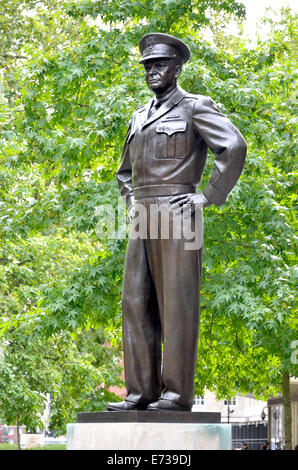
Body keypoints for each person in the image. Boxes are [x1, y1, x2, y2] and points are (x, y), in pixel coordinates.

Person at [107, 33, 247, 412]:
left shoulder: (194, 107)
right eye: (148, 66)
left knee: (177, 304)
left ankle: (175, 394)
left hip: (179, 212)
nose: (153, 71)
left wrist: (208, 195)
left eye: (160, 65)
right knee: (135, 303)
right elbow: (123, 172)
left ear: (176, 69)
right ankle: (140, 392)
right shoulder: (139, 115)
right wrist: (132, 203)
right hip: (144, 216)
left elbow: (233, 146)